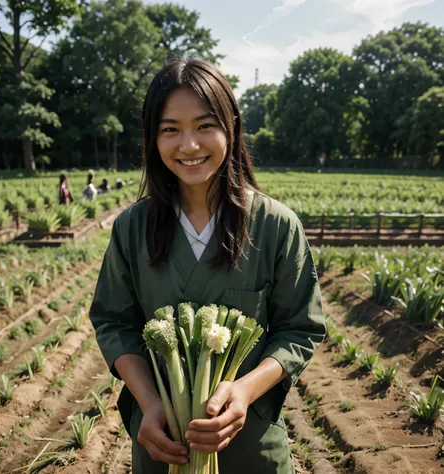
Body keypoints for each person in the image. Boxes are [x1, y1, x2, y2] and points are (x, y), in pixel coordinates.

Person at [89, 59, 326, 474]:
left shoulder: (275, 225)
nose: (189, 145)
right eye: (170, 129)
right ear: (152, 137)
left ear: (231, 128)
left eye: (204, 125)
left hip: (251, 447)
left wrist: (245, 390)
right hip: (162, 448)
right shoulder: (132, 228)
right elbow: (114, 323)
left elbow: (299, 328)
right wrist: (149, 402)